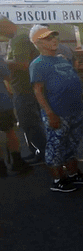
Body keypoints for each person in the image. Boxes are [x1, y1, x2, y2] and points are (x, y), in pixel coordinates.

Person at [28, 25, 83, 193]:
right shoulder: (38, 64)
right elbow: (37, 91)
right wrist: (50, 113)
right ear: (38, 43)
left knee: (72, 144)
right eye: (48, 38)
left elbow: (72, 78)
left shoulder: (61, 59)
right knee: (55, 146)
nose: (54, 40)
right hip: (58, 112)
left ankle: (73, 174)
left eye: (54, 37)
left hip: (75, 109)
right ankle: (58, 179)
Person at [6, 28, 48, 164]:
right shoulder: (16, 41)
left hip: (25, 90)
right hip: (23, 89)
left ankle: (44, 153)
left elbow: (24, 65)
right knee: (28, 123)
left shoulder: (19, 40)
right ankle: (38, 151)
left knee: (29, 122)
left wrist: (4, 64)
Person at [0, 57, 33, 177]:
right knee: (9, 131)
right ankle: (17, 162)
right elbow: (7, 76)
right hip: (2, 101)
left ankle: (1, 166)